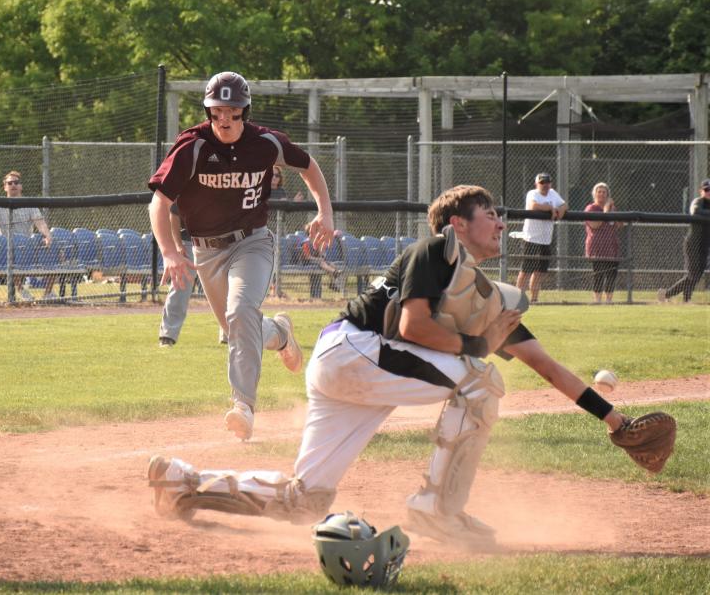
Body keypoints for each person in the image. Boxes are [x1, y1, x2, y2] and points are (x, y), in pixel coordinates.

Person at [147, 185, 646, 550]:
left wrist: (615, 421)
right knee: (479, 381)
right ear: (458, 224)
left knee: (307, 502)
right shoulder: (436, 251)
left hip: (356, 370)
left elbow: (546, 366)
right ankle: (438, 509)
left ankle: (184, 483)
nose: (500, 222)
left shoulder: (484, 298)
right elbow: (412, 327)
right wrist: (474, 345)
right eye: (489, 213)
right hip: (354, 350)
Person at [148, 71, 334, 441]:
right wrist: (170, 251)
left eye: (233, 112)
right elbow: (160, 201)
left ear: (244, 112)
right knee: (239, 328)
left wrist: (325, 212)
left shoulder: (265, 142)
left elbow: (309, 166)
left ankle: (243, 407)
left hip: (251, 243)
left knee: (240, 313)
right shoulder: (193, 147)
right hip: (206, 251)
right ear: (208, 112)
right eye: (218, 112)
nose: (225, 120)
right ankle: (280, 333)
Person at [0, 170, 54, 301]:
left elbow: (40, 223)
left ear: (21, 186)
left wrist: (47, 236)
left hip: (29, 247)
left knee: (55, 250)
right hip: (6, 249)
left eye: (16, 182)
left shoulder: (30, 205)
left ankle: (48, 293)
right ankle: (21, 290)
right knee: (12, 252)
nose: (13, 185)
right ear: (5, 186)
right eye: (9, 183)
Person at [515, 172, 567, 303]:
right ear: (536, 184)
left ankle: (534, 299)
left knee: (539, 272)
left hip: (545, 240)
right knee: (525, 270)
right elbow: (534, 206)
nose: (545, 185)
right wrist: (550, 208)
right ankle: (517, 299)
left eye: (547, 182)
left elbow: (564, 205)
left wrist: (559, 212)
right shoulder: (533, 193)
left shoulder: (553, 193)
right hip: (530, 238)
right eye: (542, 183)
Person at [658, 178, 710, 303]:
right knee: (693, 273)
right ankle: (676, 297)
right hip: (693, 243)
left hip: (705, 244)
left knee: (697, 274)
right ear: (701, 191)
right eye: (706, 189)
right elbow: (695, 211)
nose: (709, 192)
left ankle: (675, 297)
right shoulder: (699, 201)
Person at [158, 203, 196, 347]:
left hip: (216, 244)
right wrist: (178, 245)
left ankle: (229, 334)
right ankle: (168, 335)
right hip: (188, 243)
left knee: (227, 285)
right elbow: (174, 214)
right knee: (180, 286)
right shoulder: (186, 184)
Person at [584, 182, 623, 304]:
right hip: (597, 247)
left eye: (604, 192)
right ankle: (597, 301)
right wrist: (605, 210)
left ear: (607, 195)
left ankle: (609, 300)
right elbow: (595, 225)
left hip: (612, 246)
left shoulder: (612, 208)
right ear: (594, 194)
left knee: (611, 274)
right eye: (599, 192)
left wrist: (614, 213)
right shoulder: (591, 208)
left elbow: (619, 225)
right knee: (599, 275)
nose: (601, 194)